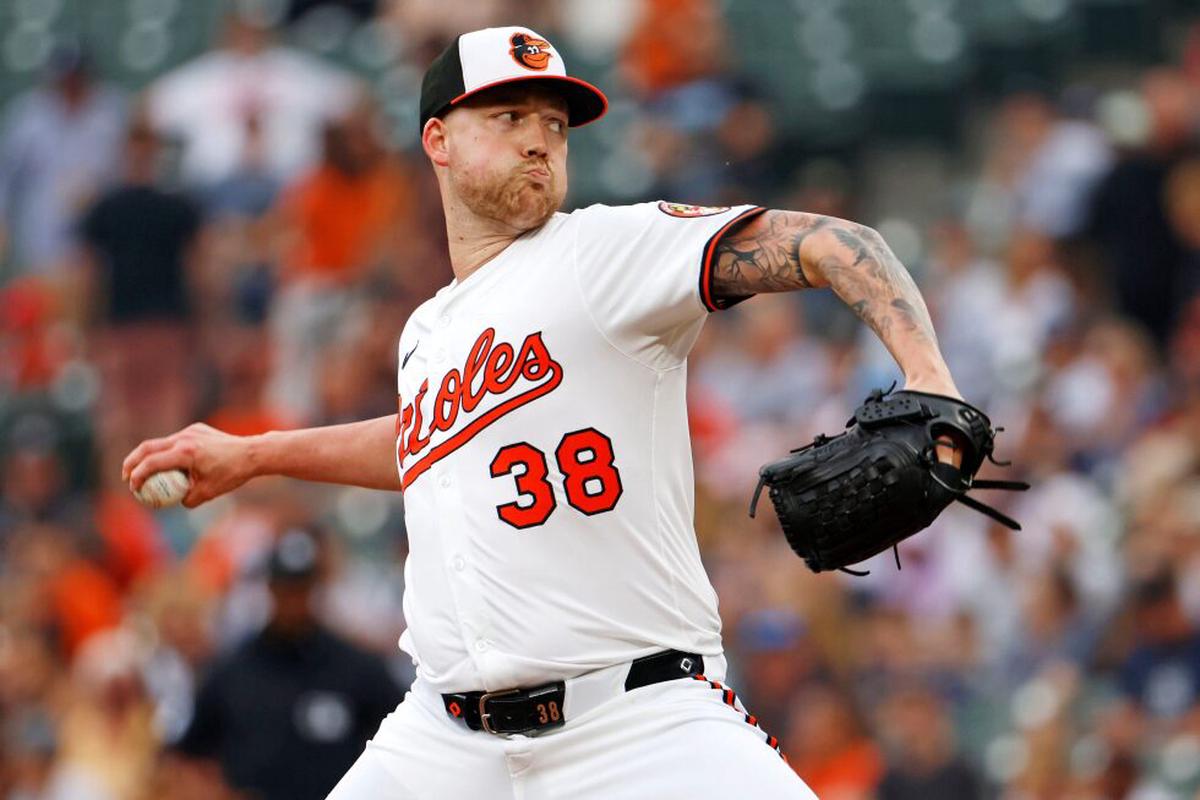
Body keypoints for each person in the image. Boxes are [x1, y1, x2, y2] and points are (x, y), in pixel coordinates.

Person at [124, 26, 966, 798]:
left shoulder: (604, 252)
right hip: (444, 741)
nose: (540, 138)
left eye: (555, 124)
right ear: (438, 140)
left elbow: (835, 242)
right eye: (510, 115)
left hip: (638, 719)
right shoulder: (427, 330)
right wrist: (254, 455)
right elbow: (426, 446)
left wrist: (927, 371)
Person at [173, 527, 406, 800]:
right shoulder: (233, 671)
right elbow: (189, 755)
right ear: (270, 589)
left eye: (301, 589)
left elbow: (404, 737)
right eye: (286, 589)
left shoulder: (355, 669)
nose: (293, 601)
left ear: (316, 589)